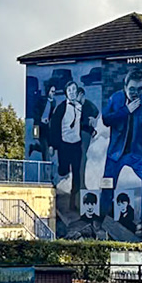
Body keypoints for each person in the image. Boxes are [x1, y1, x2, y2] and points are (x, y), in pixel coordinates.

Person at [101, 65, 142, 238]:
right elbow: (106, 119)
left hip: (135, 152)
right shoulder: (116, 99)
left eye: (139, 89)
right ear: (125, 86)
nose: (136, 93)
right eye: (132, 89)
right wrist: (126, 111)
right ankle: (102, 216)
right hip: (116, 153)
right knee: (108, 184)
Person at [46, 80, 98, 214]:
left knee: (76, 174)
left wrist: (92, 130)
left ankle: (72, 202)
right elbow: (53, 126)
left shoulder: (80, 107)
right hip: (64, 145)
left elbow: (83, 123)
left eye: (74, 90)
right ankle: (61, 173)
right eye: (70, 90)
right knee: (63, 170)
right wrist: (52, 145)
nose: (72, 92)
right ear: (66, 93)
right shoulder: (61, 107)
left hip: (76, 145)